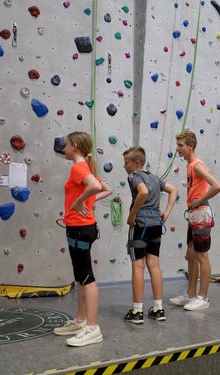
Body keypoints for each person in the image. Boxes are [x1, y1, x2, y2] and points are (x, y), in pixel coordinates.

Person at [53, 131, 112, 347]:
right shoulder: (83, 167)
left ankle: (93, 328)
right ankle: (80, 321)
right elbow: (106, 189)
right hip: (78, 227)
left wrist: (79, 202)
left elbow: (96, 187)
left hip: (81, 228)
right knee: (80, 276)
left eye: (66, 145)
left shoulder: (79, 167)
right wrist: (86, 201)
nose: (64, 148)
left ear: (75, 147)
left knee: (86, 277)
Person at [122, 146, 178, 324]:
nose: (124, 166)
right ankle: (158, 308)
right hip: (156, 224)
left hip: (141, 224)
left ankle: (138, 311)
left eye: (127, 162)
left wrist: (132, 215)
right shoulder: (154, 178)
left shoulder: (134, 176)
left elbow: (143, 192)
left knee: (138, 266)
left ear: (137, 163)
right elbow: (174, 190)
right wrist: (166, 212)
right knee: (154, 265)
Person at [170, 130, 220, 311]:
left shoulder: (197, 165)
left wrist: (199, 200)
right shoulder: (190, 165)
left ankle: (203, 297)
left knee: (201, 256)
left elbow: (217, 186)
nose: (178, 149)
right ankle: (191, 294)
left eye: (180, 146)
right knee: (191, 255)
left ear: (190, 146)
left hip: (201, 214)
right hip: (194, 214)